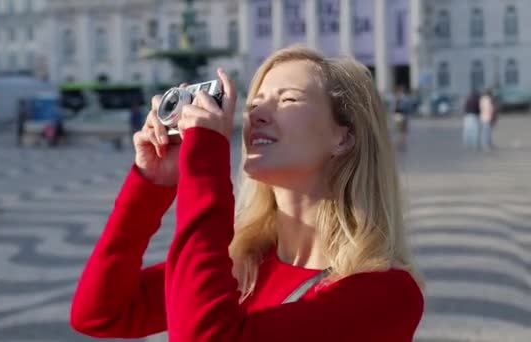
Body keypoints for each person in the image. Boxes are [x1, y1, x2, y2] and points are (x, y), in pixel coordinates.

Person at [71, 46, 424, 341]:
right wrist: (151, 184)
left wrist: (205, 164)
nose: (257, 113)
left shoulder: (386, 294)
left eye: (288, 99)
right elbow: (99, 312)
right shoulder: (245, 264)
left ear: (343, 137)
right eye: (254, 103)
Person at [392, 85, 411, 151]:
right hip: (399, 115)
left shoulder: (401, 98)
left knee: (401, 130)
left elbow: (394, 108)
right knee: (400, 130)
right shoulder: (402, 98)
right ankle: (400, 142)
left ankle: (401, 142)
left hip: (401, 115)